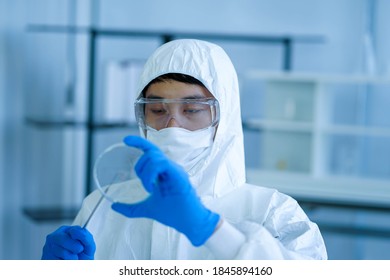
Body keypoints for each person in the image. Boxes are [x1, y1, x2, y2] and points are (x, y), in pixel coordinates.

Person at [41, 39, 327, 260]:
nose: (172, 125)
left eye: (192, 109)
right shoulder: (104, 207)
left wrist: (213, 230)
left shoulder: (272, 212)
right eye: (156, 109)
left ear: (223, 117)